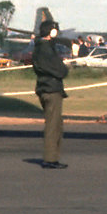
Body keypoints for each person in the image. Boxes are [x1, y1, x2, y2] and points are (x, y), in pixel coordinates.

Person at [32, 18, 69, 169]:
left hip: (45, 87)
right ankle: (50, 158)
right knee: (53, 126)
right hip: (51, 89)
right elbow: (60, 70)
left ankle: (52, 156)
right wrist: (63, 68)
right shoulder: (46, 49)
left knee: (56, 124)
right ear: (50, 31)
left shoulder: (40, 47)